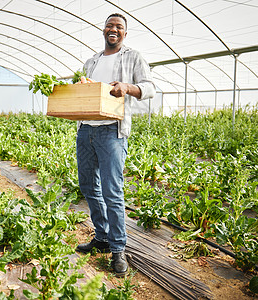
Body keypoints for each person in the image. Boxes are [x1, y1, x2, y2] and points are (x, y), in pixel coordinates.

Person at [75, 13, 156, 277]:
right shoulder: (92, 61)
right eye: (110, 25)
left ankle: (118, 249)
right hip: (86, 130)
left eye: (119, 27)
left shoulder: (133, 57)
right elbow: (86, 91)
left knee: (112, 191)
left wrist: (126, 87)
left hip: (112, 131)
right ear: (103, 30)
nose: (114, 29)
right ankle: (102, 237)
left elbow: (150, 88)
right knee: (88, 186)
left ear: (124, 33)